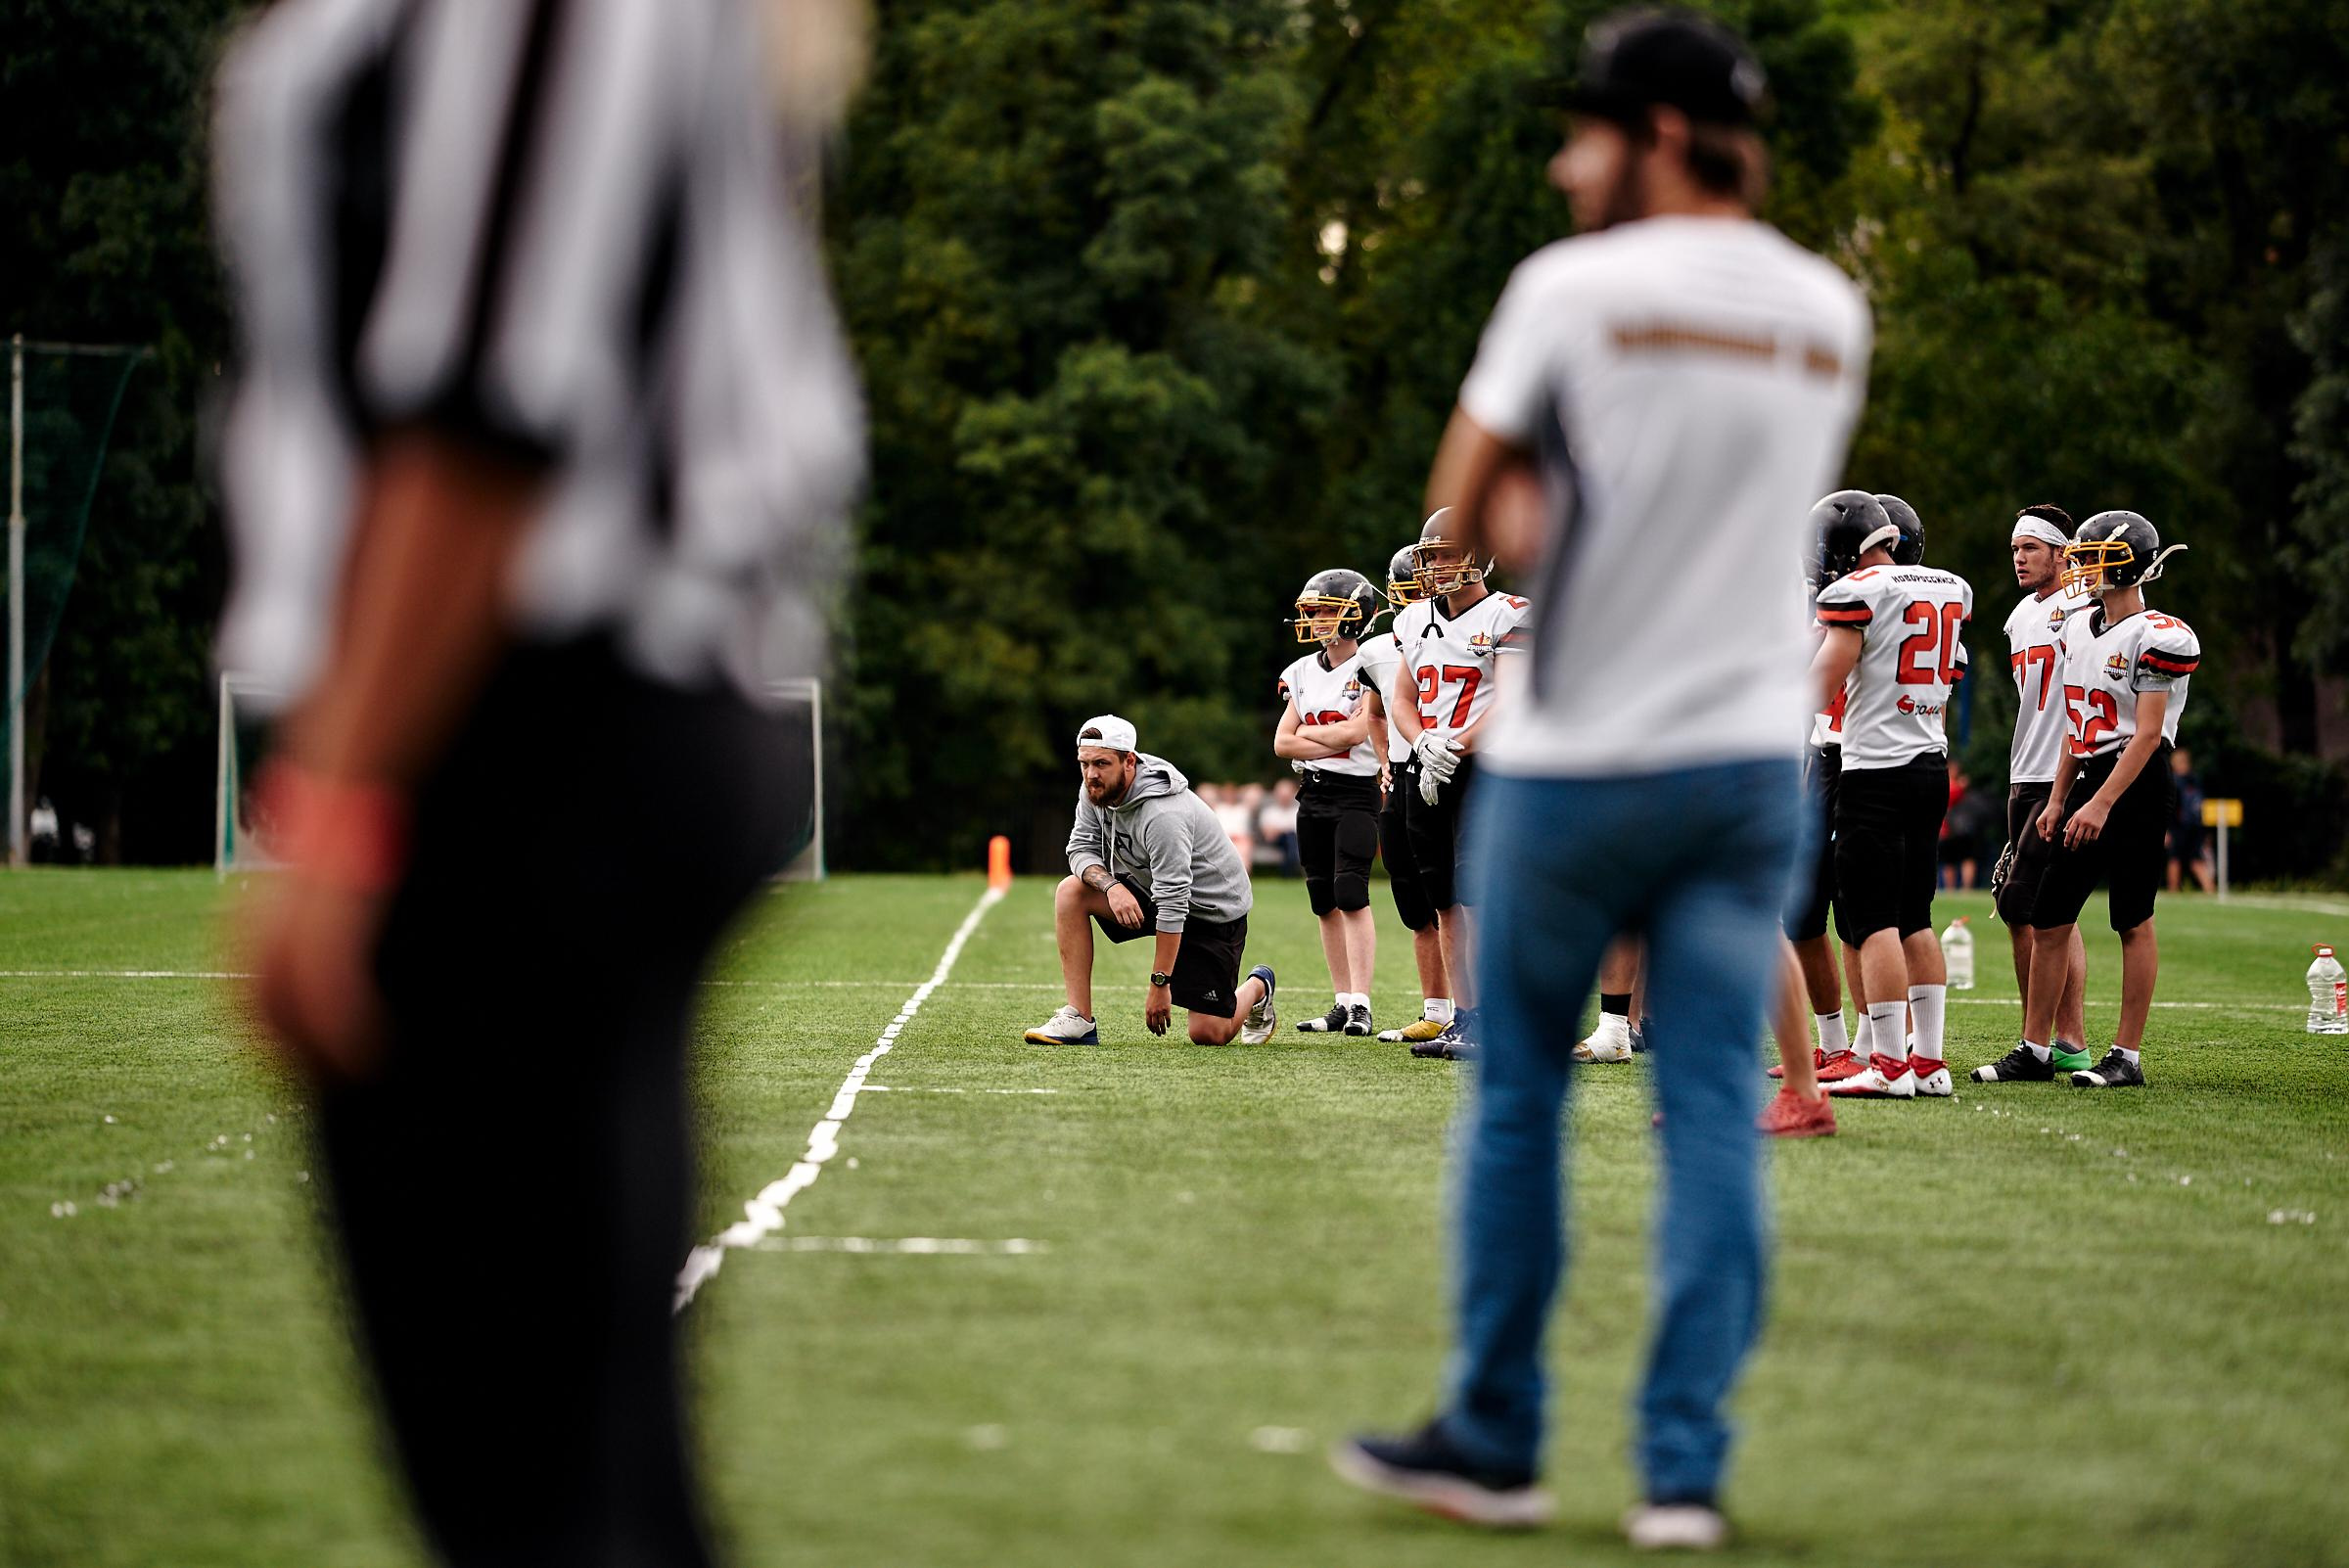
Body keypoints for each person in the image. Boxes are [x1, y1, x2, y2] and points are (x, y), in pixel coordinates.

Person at [211, 1, 864, 1561]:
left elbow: (496, 393)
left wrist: (339, 797)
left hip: (531, 710)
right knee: (580, 1458)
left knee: (530, 1481)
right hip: (575, 706)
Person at [1330, 9, 1871, 1548]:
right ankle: (1681, 1472)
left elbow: (1458, 518)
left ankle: (1497, 1437)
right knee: (1708, 1104)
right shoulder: (1828, 306)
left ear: (1655, 138)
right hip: (1751, 754)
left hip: (1579, 756)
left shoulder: (1571, 288)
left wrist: (1529, 514)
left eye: (1586, 137)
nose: (1569, 167)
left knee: (1520, 1095)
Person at [1987, 513, 2197, 1089]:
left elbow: (2149, 734)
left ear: (2130, 563)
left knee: (2131, 917)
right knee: (2049, 916)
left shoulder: (2160, 633)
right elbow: (2076, 728)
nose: (2084, 566)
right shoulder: (2078, 627)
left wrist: (2101, 803)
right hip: (2088, 776)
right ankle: (2035, 1048)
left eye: (2097, 555)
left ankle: (2126, 1056)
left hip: (2136, 780)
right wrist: (2058, 798)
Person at [1810, 491, 1972, 1099]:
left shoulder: (1859, 593)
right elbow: (1949, 671)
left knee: (1873, 920)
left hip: (1873, 770)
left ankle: (1887, 1064)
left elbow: (1827, 678)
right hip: (1929, 763)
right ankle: (1929, 1063)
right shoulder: (1948, 585)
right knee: (1916, 918)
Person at [1027, 716, 1279, 1048]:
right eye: (1085, 764)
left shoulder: (1163, 814)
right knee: (1071, 892)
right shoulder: (1094, 790)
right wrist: (1112, 887)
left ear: (1129, 761)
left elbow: (1175, 902)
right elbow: (1079, 848)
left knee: (1208, 1034)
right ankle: (1079, 1018)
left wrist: (1160, 984)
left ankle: (1260, 984)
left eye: (1101, 763)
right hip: (1152, 890)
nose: (1091, 774)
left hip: (1210, 911)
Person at [1386, 508, 1533, 1061]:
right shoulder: (1411, 621)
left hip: (1488, 769)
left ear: (1480, 554)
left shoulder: (1510, 614)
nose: (1436, 565)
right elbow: (1403, 698)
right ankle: (1466, 1019)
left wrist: (1454, 745)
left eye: (1448, 553)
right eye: (1431, 555)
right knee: (1444, 895)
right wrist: (1423, 742)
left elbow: (1513, 702)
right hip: (1429, 765)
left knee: (1480, 894)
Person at [1975, 507, 2092, 1080]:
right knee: (2046, 912)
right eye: (2014, 547)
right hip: (2025, 771)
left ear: (2059, 553)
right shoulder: (2021, 615)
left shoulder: (2083, 609)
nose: (2018, 557)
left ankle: (2043, 1040)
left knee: (2025, 906)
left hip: (2062, 774)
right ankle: (2063, 1039)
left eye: (2030, 548)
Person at [1277, 569, 1387, 1036]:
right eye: (1315, 611)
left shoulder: (1374, 663)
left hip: (1358, 791)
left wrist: (1310, 735)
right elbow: (1283, 743)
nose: (1318, 620)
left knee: (1351, 892)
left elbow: (1358, 732)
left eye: (1327, 610)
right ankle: (1341, 1001)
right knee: (1322, 899)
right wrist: (1328, 740)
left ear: (1355, 614)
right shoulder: (1300, 671)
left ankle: (1361, 1001)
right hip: (1316, 792)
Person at [1359, 545, 1456, 1045]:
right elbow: (1377, 712)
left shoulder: (1469, 631)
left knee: (1456, 894)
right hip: (1403, 771)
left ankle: (1471, 1010)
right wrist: (1383, 761)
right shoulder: (1381, 646)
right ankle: (1436, 1008)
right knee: (1414, 895)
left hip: (1455, 765)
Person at [2168, 747, 2213, 892]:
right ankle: (2210, 889)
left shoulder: (2174, 781)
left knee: (2174, 859)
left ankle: (2173, 890)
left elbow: (2170, 808)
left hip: (2179, 827)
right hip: (2197, 827)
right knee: (2196, 860)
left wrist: (2166, 830)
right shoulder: (2196, 780)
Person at [1257, 777, 1302, 875]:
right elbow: (1268, 833)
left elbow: (1299, 831)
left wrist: (1279, 829)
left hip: (1294, 840)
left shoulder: (1297, 810)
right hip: (1276, 841)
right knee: (1289, 837)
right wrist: (1285, 830)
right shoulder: (1269, 811)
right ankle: (1290, 871)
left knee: (1290, 837)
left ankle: (1288, 870)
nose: (1284, 797)